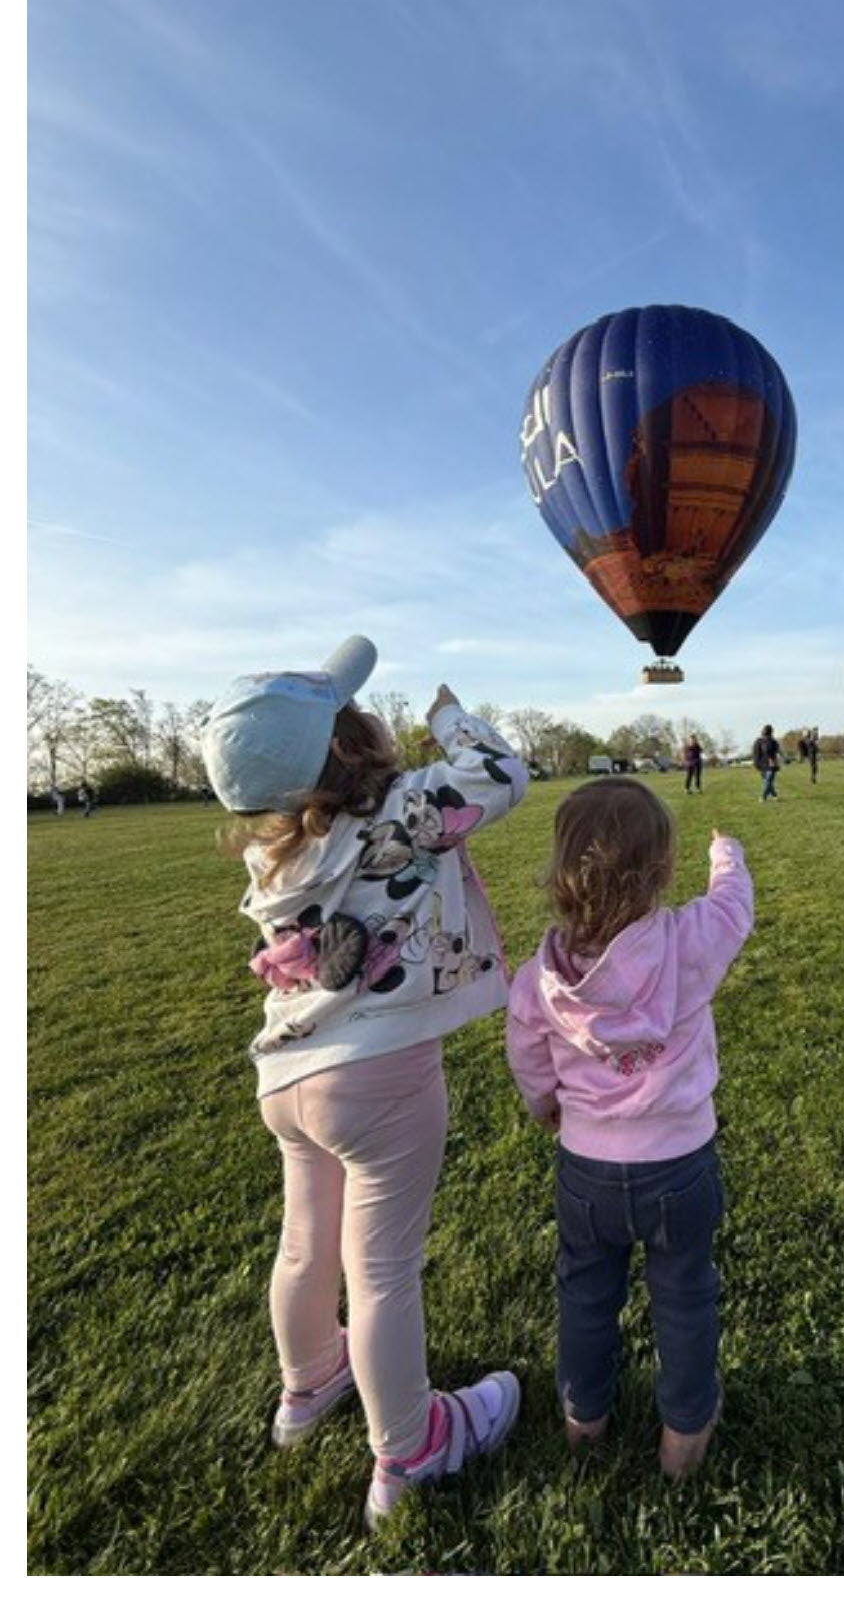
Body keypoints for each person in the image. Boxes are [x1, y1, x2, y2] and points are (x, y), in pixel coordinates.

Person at [208, 635, 529, 1529]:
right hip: (380, 1076)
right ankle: (411, 1446)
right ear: (352, 739)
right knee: (383, 1266)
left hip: (287, 1074)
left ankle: (307, 1385)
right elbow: (505, 769)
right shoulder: (413, 805)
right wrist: (449, 719)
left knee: (307, 1243)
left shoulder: (269, 852)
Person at [504, 781, 752, 1482]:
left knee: (585, 1292)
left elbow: (525, 1056)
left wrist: (545, 1105)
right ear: (663, 870)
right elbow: (735, 906)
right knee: (684, 1294)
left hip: (585, 1167)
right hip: (680, 1163)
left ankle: (585, 1418)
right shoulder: (690, 942)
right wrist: (726, 852)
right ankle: (685, 1433)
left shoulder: (538, 979)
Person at [752, 725, 781, 801]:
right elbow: (755, 753)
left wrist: (784, 758)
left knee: (768, 780)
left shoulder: (774, 742)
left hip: (772, 764)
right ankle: (774, 795)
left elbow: (779, 751)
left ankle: (763, 797)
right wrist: (756, 763)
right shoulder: (759, 741)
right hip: (762, 764)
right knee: (768, 782)